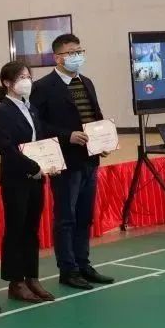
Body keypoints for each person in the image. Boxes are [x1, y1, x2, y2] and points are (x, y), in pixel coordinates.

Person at [30, 34, 114, 289]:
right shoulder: (43, 86)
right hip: (64, 161)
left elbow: (95, 117)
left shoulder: (86, 82)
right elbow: (36, 124)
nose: (76, 56)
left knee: (84, 216)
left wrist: (104, 141)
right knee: (66, 217)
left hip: (90, 159)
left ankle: (83, 264)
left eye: (79, 51)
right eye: (71, 52)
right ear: (58, 57)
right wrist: (67, 136)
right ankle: (68, 269)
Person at [0, 61, 56, 304]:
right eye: (21, 77)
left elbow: (42, 141)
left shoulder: (32, 108)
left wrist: (50, 163)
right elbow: (6, 149)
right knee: (16, 230)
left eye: (28, 76)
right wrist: (33, 167)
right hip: (16, 180)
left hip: (37, 180)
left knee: (31, 230)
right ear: (7, 82)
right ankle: (15, 281)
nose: (26, 81)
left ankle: (32, 277)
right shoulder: (1, 112)